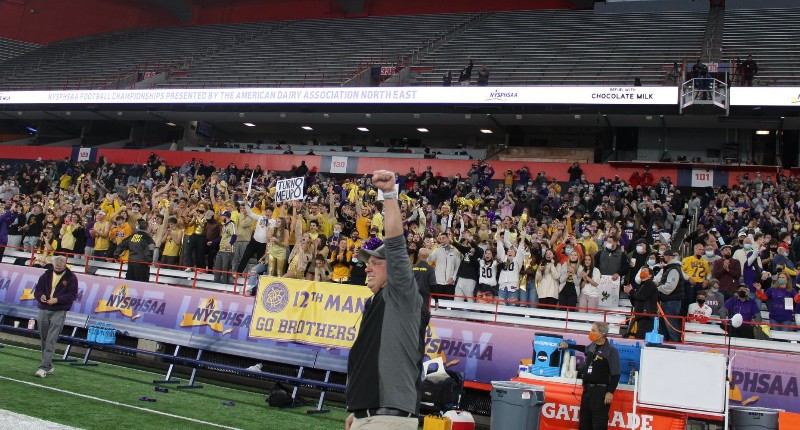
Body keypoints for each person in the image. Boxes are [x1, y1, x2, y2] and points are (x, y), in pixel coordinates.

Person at [346, 170, 422, 430]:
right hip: (370, 415)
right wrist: (358, 410)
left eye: (376, 264)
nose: (368, 268)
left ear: (395, 269)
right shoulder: (379, 302)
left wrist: (389, 194)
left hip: (386, 419)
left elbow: (396, 244)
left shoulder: (400, 292)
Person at [558, 322, 620, 430]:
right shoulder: (593, 345)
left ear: (602, 334)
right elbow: (585, 349)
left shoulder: (611, 351)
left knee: (598, 424)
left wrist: (610, 392)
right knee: (584, 423)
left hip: (600, 392)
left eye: (593, 330)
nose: (590, 333)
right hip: (587, 390)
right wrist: (569, 346)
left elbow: (616, 374)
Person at [32, 255, 79, 378]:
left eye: (60, 268)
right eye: (56, 268)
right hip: (44, 308)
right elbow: (38, 290)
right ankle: (48, 364)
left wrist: (57, 300)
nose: (57, 270)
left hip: (59, 310)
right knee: (44, 338)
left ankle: (43, 367)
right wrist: (40, 296)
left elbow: (72, 295)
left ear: (64, 266)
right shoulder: (46, 274)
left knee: (51, 339)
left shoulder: (71, 278)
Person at [623, 267, 658, 338]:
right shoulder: (641, 285)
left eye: (645, 271)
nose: (642, 272)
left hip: (646, 316)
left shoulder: (650, 284)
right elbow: (635, 302)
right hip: (640, 315)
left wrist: (631, 291)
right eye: (641, 271)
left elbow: (641, 296)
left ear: (650, 275)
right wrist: (630, 293)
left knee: (641, 337)